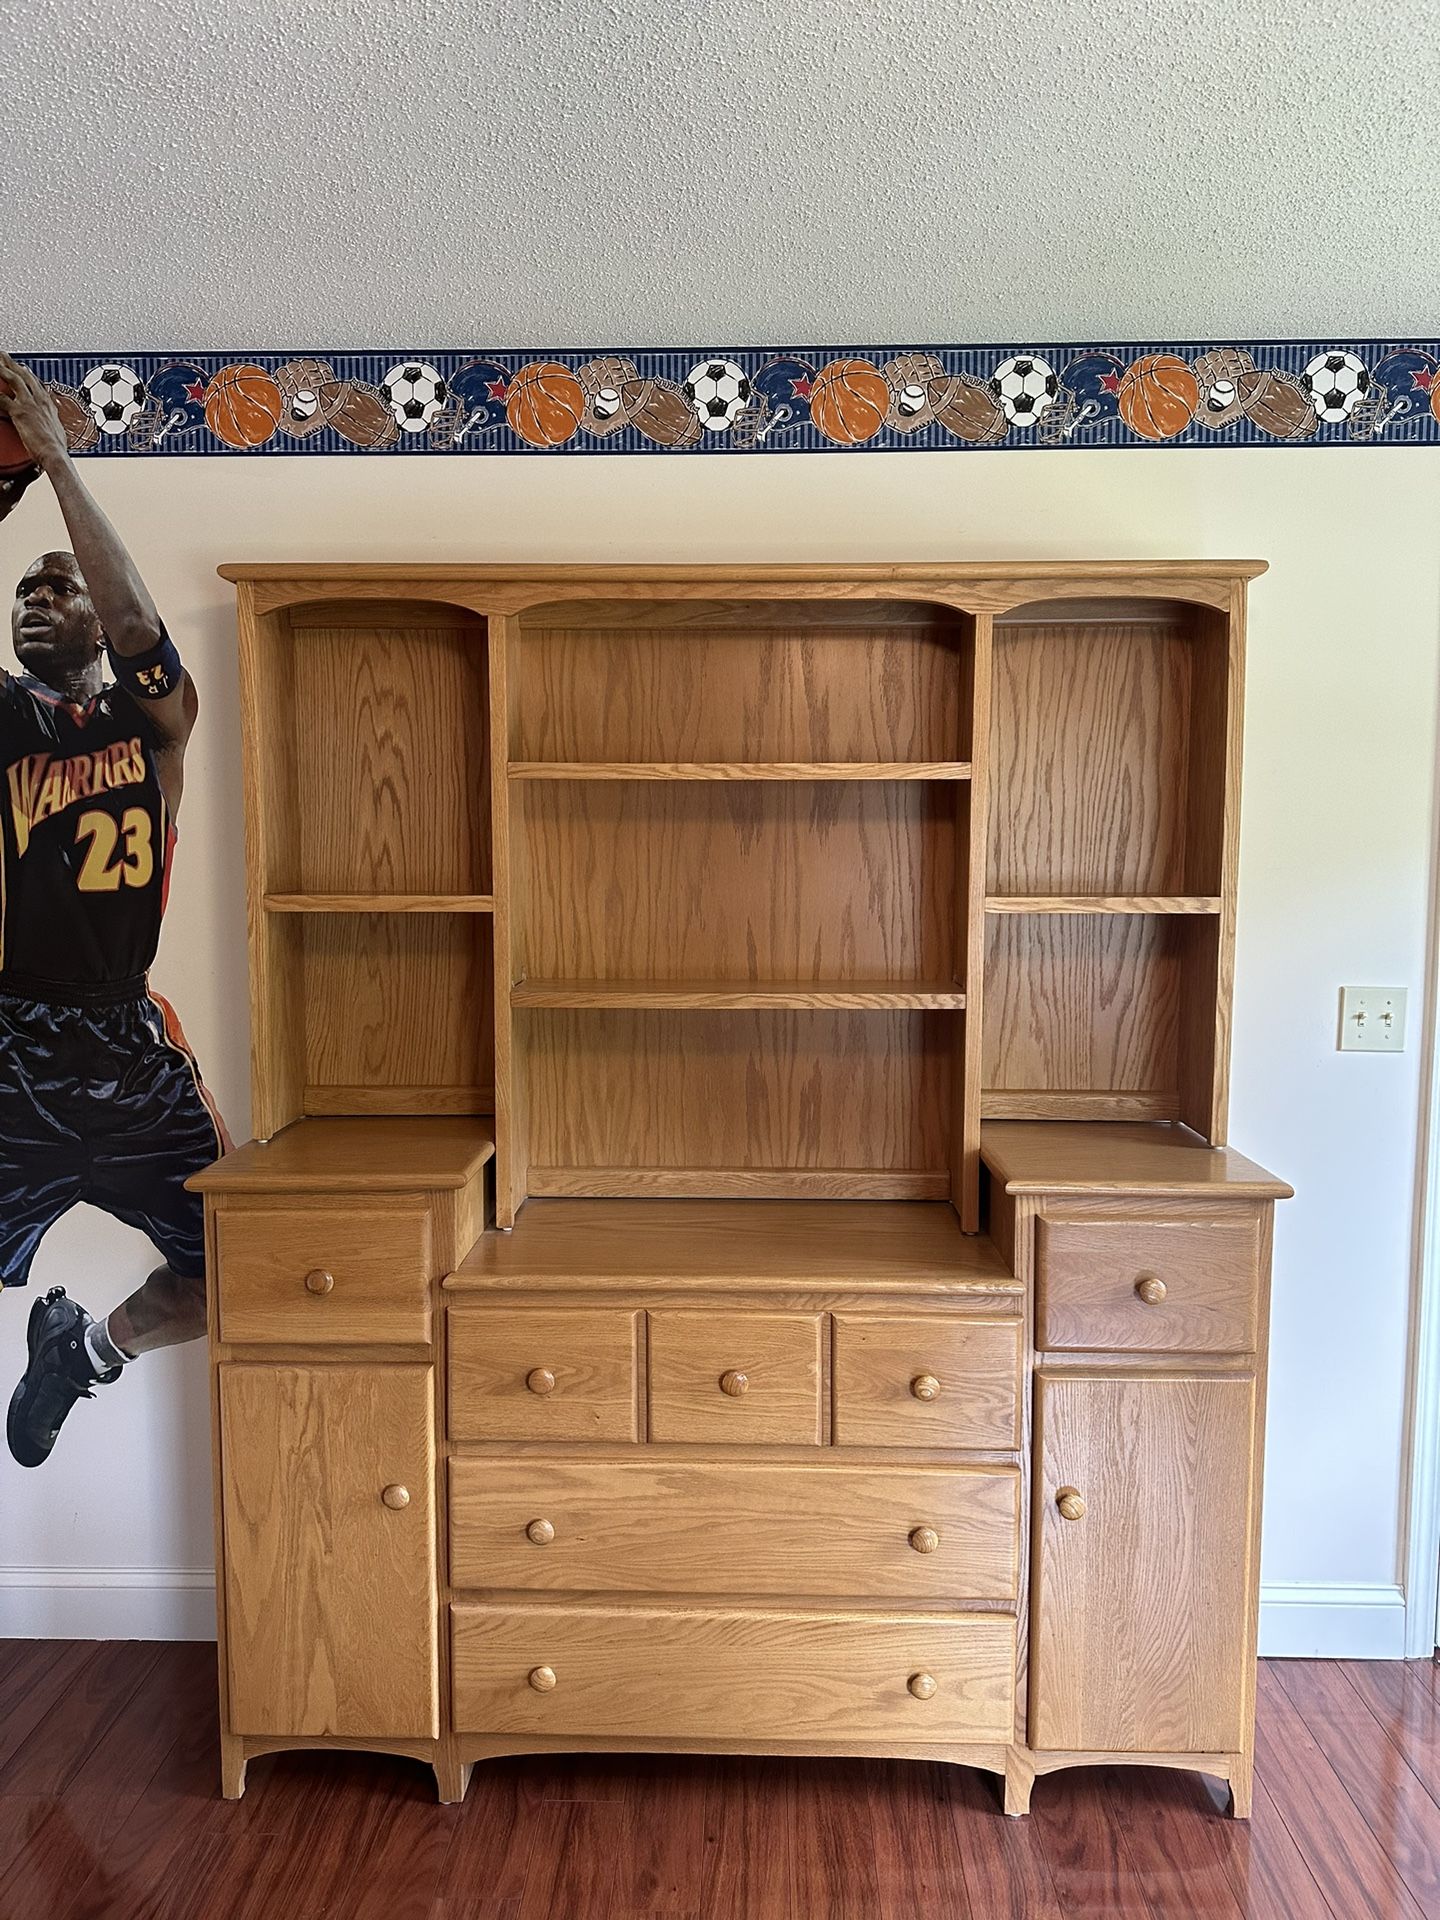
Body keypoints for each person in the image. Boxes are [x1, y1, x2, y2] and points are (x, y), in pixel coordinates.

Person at [0, 354, 226, 1467]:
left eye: (58, 587)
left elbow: (140, 624)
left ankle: (82, 1354)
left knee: (238, 1274)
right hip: (8, 1043)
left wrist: (56, 463)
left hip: (128, 1045)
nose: (38, 601)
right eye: (23, 593)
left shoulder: (158, 727)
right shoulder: (4, 720)